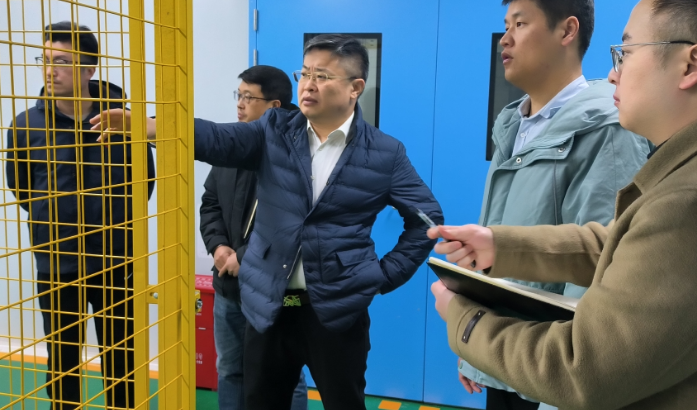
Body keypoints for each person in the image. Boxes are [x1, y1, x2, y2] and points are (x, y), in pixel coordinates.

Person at [428, 0, 697, 408]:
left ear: (692, 64)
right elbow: (635, 246)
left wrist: (464, 319)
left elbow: (584, 370)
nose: (613, 73)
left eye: (626, 53)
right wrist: (502, 246)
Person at [91, 34, 443, 410]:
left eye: (322, 76)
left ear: (355, 87)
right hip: (271, 305)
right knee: (260, 400)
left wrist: (381, 276)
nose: (308, 84)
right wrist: (155, 127)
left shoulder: (385, 153)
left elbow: (426, 219)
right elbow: (219, 138)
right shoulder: (274, 129)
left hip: (336, 310)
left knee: (344, 402)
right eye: (305, 73)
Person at [458, 0, 650, 408]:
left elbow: (597, 271)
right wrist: (472, 345)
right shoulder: (513, 125)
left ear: (567, 31)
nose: (504, 39)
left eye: (520, 24)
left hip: (548, 370)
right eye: (505, 25)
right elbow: (496, 232)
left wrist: (560, 396)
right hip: (501, 352)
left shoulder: (605, 128)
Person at [5, 22, 156, 410]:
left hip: (116, 259)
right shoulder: (25, 125)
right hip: (57, 262)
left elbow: (145, 182)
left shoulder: (125, 121)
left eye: (61, 61)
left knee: (122, 357)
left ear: (89, 69)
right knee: (62, 360)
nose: (49, 70)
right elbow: (22, 188)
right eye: (45, 60)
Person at [199, 65, 308, 410]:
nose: (240, 104)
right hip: (229, 286)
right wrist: (218, 247)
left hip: (276, 291)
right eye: (239, 95)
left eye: (249, 97)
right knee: (230, 369)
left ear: (274, 106)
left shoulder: (297, 154)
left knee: (286, 375)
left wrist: (242, 257)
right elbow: (210, 203)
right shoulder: (230, 146)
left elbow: (294, 222)